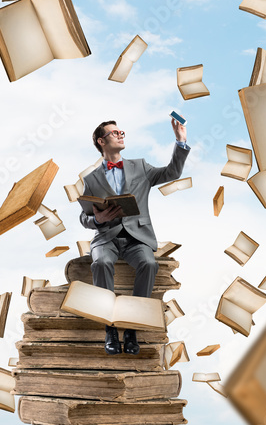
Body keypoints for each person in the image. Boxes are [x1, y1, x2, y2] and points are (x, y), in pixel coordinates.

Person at [78, 118, 189, 355]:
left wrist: (181, 141)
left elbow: (173, 172)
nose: (121, 135)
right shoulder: (90, 179)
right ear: (101, 141)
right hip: (106, 238)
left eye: (122, 132)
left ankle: (131, 329)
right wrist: (99, 219)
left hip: (136, 237)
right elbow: (84, 218)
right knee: (101, 262)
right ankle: (109, 329)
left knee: (149, 263)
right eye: (115, 132)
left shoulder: (140, 166)